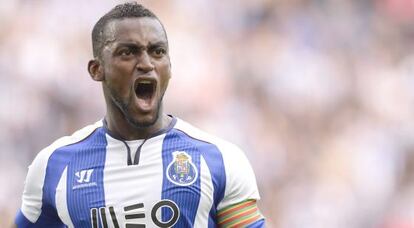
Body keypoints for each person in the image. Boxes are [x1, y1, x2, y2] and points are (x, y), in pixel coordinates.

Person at [15, 2, 265, 227]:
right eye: (128, 52)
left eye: (157, 52)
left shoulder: (218, 159)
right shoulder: (55, 165)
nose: (146, 63)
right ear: (96, 69)